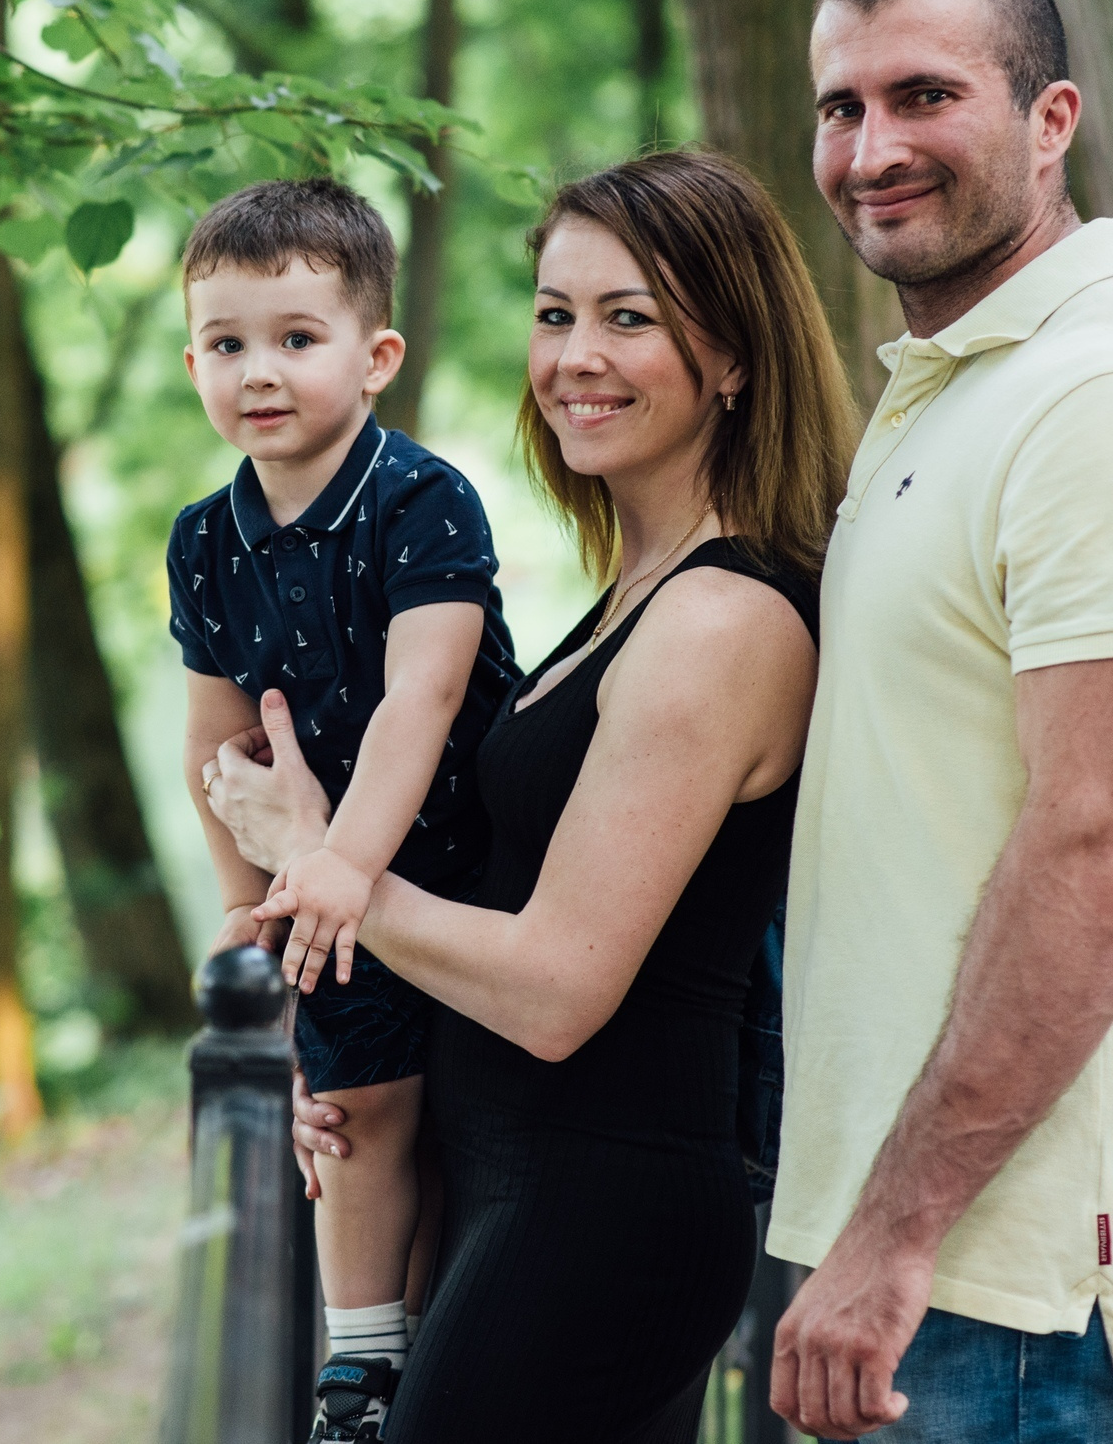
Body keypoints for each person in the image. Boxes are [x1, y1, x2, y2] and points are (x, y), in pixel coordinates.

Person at [210, 150, 857, 1443]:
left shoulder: (720, 620)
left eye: (632, 318)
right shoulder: (632, 591)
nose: (576, 356)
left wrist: (322, 862)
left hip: (602, 1217)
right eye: (557, 314)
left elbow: (559, 989)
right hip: (519, 1191)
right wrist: (356, 1049)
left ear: (734, 357)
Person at [764, 0, 1113, 1442]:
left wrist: (895, 1232)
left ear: (1051, 119)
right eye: (839, 106)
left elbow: (1104, 841)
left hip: (1015, 1286)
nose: (870, 151)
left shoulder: (1112, 405)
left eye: (923, 95)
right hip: (937, 1256)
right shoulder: (962, 383)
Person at [165, 178, 522, 1443]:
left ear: (374, 356)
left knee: (465, 1123)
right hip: (322, 892)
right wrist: (244, 898)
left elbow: (419, 703)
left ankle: (445, 1341)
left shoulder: (421, 500)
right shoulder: (204, 541)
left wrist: (341, 865)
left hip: (468, 867)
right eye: (225, 343)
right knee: (355, 1101)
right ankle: (361, 1361)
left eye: (294, 338)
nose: (257, 370)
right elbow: (216, 734)